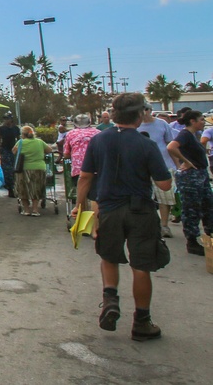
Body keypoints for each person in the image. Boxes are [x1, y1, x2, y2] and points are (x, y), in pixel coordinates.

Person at [76, 92, 172, 341]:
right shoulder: (146, 144)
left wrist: (79, 205)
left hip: (108, 210)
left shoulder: (98, 141)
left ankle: (110, 301)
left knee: (108, 257)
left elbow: (85, 176)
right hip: (141, 211)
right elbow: (164, 185)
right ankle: (142, 322)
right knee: (141, 267)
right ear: (139, 115)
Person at [166, 109, 213, 256]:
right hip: (191, 176)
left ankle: (209, 236)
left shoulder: (195, 135)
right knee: (192, 208)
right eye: (201, 120)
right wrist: (185, 161)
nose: (203, 122)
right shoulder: (185, 134)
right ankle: (192, 241)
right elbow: (171, 147)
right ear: (192, 121)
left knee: (208, 205)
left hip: (201, 174)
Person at [137, 105, 178, 238]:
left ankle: (164, 226)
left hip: (163, 165)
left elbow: (169, 144)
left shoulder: (162, 124)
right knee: (143, 197)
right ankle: (145, 225)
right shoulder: (135, 125)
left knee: (165, 197)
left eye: (145, 110)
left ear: (150, 110)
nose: (143, 113)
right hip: (141, 167)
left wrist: (176, 165)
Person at [64, 114, 100, 236]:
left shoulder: (70, 134)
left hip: (79, 168)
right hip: (97, 167)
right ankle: (96, 229)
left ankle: (85, 226)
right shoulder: (98, 133)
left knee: (82, 196)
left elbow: (66, 154)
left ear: (74, 124)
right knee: (95, 198)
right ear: (90, 123)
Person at [12, 125, 50, 216]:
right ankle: (35, 210)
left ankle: (26, 210)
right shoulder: (40, 142)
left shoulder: (20, 143)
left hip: (23, 168)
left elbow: (13, 152)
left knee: (23, 189)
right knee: (36, 188)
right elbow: (49, 150)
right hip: (39, 168)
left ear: (23, 135)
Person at [0, 113, 21, 198]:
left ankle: (14, 187)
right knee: (6, 170)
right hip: (4, 150)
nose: (6, 120)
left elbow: (19, 140)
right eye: (5, 119)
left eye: (7, 119)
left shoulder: (16, 129)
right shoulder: (2, 129)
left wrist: (20, 151)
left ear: (11, 119)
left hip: (13, 150)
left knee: (14, 169)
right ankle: (10, 188)